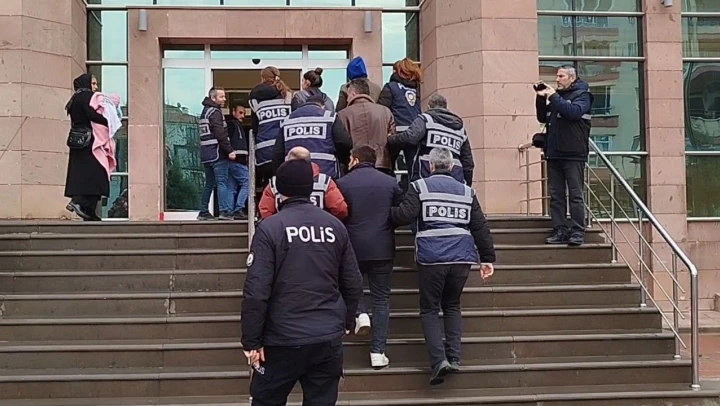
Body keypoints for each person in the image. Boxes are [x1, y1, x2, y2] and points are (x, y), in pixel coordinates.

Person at [241, 158, 363, 406]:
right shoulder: (335, 226)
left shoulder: (270, 228)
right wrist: (346, 321)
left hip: (281, 339)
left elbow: (256, 291)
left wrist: (252, 340)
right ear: (311, 186)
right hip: (326, 337)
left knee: (266, 400)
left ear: (279, 189)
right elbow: (353, 281)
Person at [390, 147, 496, 386]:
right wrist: (487, 258)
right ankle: (454, 357)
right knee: (452, 305)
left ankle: (439, 361)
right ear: (451, 167)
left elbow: (404, 216)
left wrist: (388, 212)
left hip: (432, 257)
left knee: (429, 309)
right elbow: (480, 226)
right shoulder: (467, 191)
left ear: (430, 166)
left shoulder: (420, 186)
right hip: (461, 258)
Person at [335, 145, 403, 369]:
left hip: (352, 246)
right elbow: (399, 211)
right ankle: (377, 352)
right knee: (382, 299)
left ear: (355, 160)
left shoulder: (342, 183)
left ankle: (360, 313)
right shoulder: (390, 183)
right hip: (382, 247)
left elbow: (337, 212)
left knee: (350, 285)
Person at [535, 65, 593, 246]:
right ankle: (559, 230)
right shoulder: (557, 98)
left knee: (575, 194)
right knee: (556, 196)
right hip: (554, 153)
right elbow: (543, 117)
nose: (557, 80)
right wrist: (540, 98)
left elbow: (573, 112)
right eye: (557, 76)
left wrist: (553, 96)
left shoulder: (583, 95)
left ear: (572, 78)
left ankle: (577, 231)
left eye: (561, 76)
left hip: (574, 154)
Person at [387, 94, 474, 185]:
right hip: (455, 179)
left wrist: (390, 139)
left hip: (425, 175)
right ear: (445, 107)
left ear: (428, 107)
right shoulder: (460, 129)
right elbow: (468, 162)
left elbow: (410, 137)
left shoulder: (426, 119)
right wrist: (467, 185)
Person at [272, 94, 353, 179]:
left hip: (294, 176)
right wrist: (344, 161)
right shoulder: (329, 117)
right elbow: (344, 143)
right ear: (322, 106)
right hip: (325, 174)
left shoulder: (287, 120)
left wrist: (277, 176)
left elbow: (278, 153)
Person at [64, 73, 109, 221]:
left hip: (78, 140)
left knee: (81, 173)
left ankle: (88, 210)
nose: (96, 87)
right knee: (97, 173)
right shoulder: (86, 96)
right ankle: (80, 202)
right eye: (93, 83)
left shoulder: (75, 98)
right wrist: (108, 120)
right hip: (90, 142)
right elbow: (91, 114)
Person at [260, 146, 348, 221]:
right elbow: (340, 209)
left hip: (285, 231)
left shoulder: (274, 183)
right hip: (319, 230)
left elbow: (265, 212)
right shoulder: (325, 182)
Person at [249, 66, 293, 202]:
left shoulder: (255, 98)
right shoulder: (288, 96)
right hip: (285, 149)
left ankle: (266, 210)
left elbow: (255, 127)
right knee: (287, 184)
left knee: (268, 185)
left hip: (264, 152)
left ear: (262, 78)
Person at [378, 58, 423, 185]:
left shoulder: (390, 87)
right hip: (414, 133)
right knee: (413, 170)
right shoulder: (415, 89)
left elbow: (383, 110)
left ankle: (391, 190)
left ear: (398, 71)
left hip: (396, 133)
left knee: (387, 166)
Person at [337, 79, 396, 176]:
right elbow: (393, 140)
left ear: (352, 94)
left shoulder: (342, 115)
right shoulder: (385, 111)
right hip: (382, 165)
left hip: (353, 166)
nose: (347, 99)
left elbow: (341, 143)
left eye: (347, 96)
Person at [198, 87, 235, 221]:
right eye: (221, 97)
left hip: (206, 154)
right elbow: (220, 134)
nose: (224, 99)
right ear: (213, 98)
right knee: (222, 182)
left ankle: (203, 211)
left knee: (209, 183)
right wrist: (230, 150)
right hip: (217, 153)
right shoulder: (215, 112)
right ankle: (224, 211)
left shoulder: (205, 112)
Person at [225, 102, 250, 220]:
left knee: (231, 187)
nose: (243, 116)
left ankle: (229, 211)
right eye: (240, 113)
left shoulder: (233, 124)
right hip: (237, 160)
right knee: (248, 183)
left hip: (231, 161)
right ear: (233, 112)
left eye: (244, 113)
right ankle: (238, 208)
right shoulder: (232, 124)